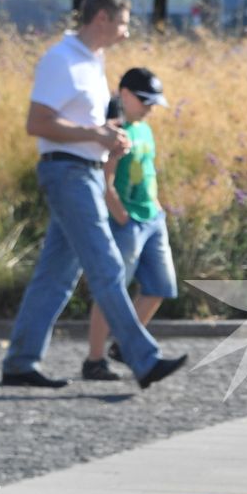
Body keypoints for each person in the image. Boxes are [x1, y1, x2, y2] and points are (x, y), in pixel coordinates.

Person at [0, 0, 187, 390]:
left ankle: (19, 363)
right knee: (106, 265)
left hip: (83, 171)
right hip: (67, 173)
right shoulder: (61, 60)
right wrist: (96, 135)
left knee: (56, 277)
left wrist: (110, 139)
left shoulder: (92, 62)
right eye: (121, 22)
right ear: (100, 18)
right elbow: (37, 123)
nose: (124, 32)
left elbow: (80, 123)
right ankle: (144, 359)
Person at [82, 68, 179, 381]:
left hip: (152, 217)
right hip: (127, 221)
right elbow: (104, 178)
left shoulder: (144, 128)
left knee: (160, 287)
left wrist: (157, 206)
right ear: (124, 95)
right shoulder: (118, 129)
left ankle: (125, 345)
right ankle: (94, 359)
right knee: (113, 289)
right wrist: (119, 213)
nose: (150, 107)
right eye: (145, 101)